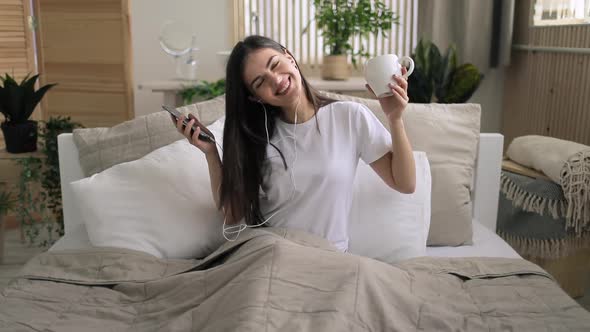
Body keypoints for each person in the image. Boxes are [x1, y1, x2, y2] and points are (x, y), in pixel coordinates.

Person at [173, 35, 415, 252]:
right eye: (260, 82)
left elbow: (405, 183)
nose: (276, 80)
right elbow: (233, 213)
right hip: (270, 254)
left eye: (275, 65)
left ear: (289, 57)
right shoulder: (257, 136)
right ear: (255, 97)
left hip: (329, 259)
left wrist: (395, 119)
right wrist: (210, 153)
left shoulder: (349, 116)